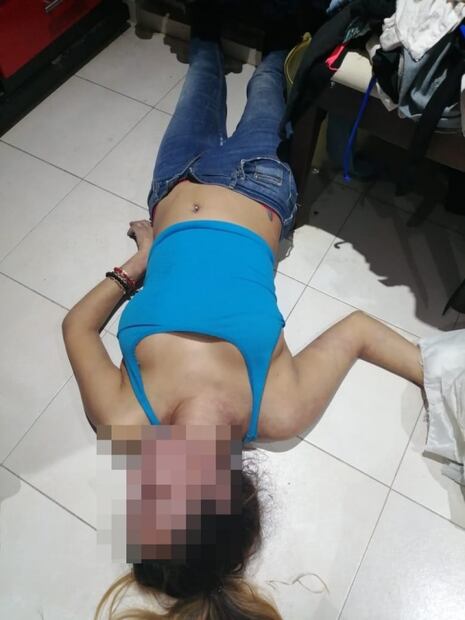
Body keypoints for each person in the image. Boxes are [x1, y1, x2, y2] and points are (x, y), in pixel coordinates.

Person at [62, 3, 463, 619]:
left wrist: (141, 261)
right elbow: (357, 331)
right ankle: (285, 29)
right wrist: (441, 380)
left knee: (202, 66)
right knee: (271, 76)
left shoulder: (124, 418)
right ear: (238, 491)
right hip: (258, 187)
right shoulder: (275, 409)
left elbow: (77, 327)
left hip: (173, 186)